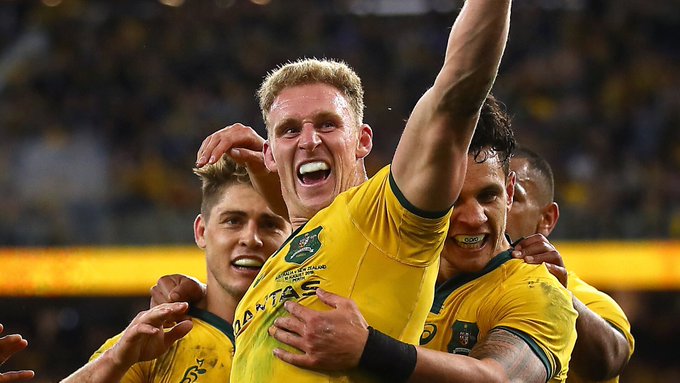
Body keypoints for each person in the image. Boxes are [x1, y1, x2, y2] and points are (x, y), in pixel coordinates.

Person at [185, 1, 513, 381]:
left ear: (362, 140)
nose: (308, 140)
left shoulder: (386, 217)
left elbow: (457, 91)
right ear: (270, 153)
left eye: (327, 125)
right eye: (289, 130)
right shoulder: (282, 259)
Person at [158, 95, 578, 382]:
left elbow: (499, 377)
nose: (472, 217)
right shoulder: (391, 268)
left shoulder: (534, 290)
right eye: (452, 202)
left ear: (508, 190)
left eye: (487, 196)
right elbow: (318, 236)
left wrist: (368, 350)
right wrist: (198, 293)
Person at [60, 157, 291, 383]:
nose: (251, 239)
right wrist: (116, 360)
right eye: (233, 221)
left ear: (291, 238)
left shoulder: (312, 335)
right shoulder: (151, 343)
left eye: (270, 225)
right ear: (201, 232)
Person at [507, 147, 635, 383]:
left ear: (546, 219)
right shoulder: (439, 288)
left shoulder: (588, 301)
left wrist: (558, 295)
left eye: (512, 196)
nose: (492, 209)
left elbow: (608, 362)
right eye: (486, 195)